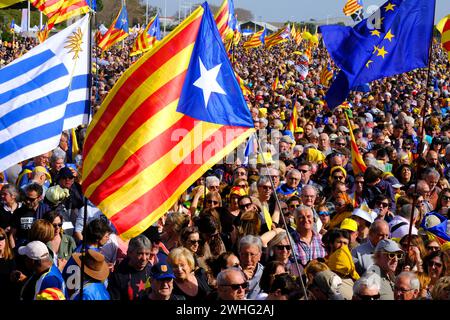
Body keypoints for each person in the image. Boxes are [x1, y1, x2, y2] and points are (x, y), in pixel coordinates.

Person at [108, 235, 153, 300]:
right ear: (129, 253)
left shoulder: (151, 269)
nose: (144, 258)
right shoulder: (118, 274)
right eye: (140, 253)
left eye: (147, 254)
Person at [238, 234, 264, 299]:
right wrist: (241, 278)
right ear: (240, 254)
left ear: (259, 256)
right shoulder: (232, 272)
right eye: (245, 255)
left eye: (252, 254)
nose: (248, 259)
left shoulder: (265, 274)